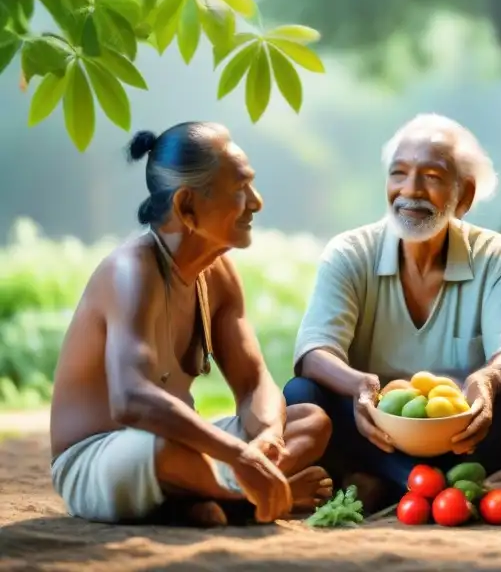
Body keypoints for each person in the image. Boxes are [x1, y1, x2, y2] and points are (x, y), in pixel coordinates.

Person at [49, 123, 333, 527]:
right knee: (165, 447)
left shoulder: (218, 274)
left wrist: (267, 437)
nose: (257, 203)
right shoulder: (132, 270)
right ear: (186, 207)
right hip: (104, 459)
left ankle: (221, 497)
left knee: (310, 421)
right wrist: (237, 455)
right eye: (240, 188)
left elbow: (253, 383)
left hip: (184, 447)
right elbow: (131, 400)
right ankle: (245, 497)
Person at [283, 114, 501, 508]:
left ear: (465, 195)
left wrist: (488, 380)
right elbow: (314, 352)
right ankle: (447, 489)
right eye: (399, 174)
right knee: (302, 394)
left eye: (432, 177)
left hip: (458, 436)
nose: (410, 190)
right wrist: (358, 386)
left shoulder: (495, 255)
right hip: (369, 429)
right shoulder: (350, 252)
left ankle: (389, 486)